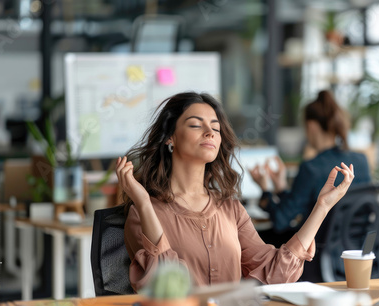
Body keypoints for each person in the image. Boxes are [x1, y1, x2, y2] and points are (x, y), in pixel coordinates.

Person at [116, 92, 355, 292]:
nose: (209, 133)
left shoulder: (229, 208)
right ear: (170, 138)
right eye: (196, 125)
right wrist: (145, 204)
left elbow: (275, 272)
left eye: (215, 128)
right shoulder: (143, 213)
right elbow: (167, 288)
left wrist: (322, 206)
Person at [250, 90, 371, 236]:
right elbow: (296, 207)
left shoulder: (311, 168)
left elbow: (281, 221)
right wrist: (280, 187)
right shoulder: (361, 161)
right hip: (354, 250)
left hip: (315, 252)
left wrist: (265, 190)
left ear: (312, 126)